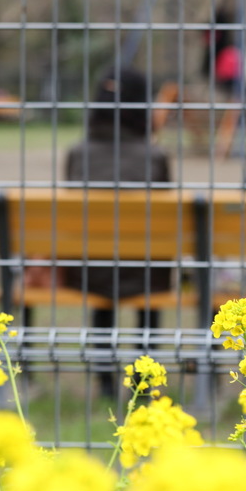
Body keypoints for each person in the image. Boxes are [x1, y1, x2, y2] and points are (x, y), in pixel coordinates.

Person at [64, 68, 172, 397]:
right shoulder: (154, 157)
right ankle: (143, 376)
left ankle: (105, 380)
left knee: (102, 262)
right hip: (146, 272)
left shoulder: (78, 153)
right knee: (148, 263)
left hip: (88, 271)